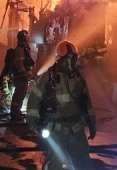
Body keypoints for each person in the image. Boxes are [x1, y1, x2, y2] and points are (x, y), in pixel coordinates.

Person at [26, 40, 97, 170]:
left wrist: (92, 122)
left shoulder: (78, 77)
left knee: (83, 163)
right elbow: (34, 99)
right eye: (67, 60)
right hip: (56, 131)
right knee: (54, 163)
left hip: (76, 129)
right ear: (59, 59)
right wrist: (33, 121)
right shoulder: (49, 78)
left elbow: (86, 101)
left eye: (73, 59)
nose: (70, 63)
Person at [10, 29, 34, 121]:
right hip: (20, 76)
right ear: (23, 37)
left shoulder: (25, 48)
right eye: (26, 35)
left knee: (22, 94)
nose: (28, 37)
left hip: (23, 76)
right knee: (18, 95)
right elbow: (19, 63)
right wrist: (24, 73)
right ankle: (14, 114)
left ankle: (18, 111)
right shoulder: (20, 49)